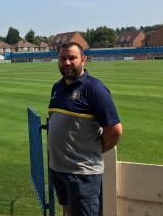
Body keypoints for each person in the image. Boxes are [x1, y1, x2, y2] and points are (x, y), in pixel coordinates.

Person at [47, 41, 122, 216]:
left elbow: (115, 130)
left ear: (83, 60)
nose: (66, 63)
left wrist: (93, 150)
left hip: (82, 173)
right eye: (62, 58)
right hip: (57, 169)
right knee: (68, 211)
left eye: (72, 58)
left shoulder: (94, 88)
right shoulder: (57, 87)